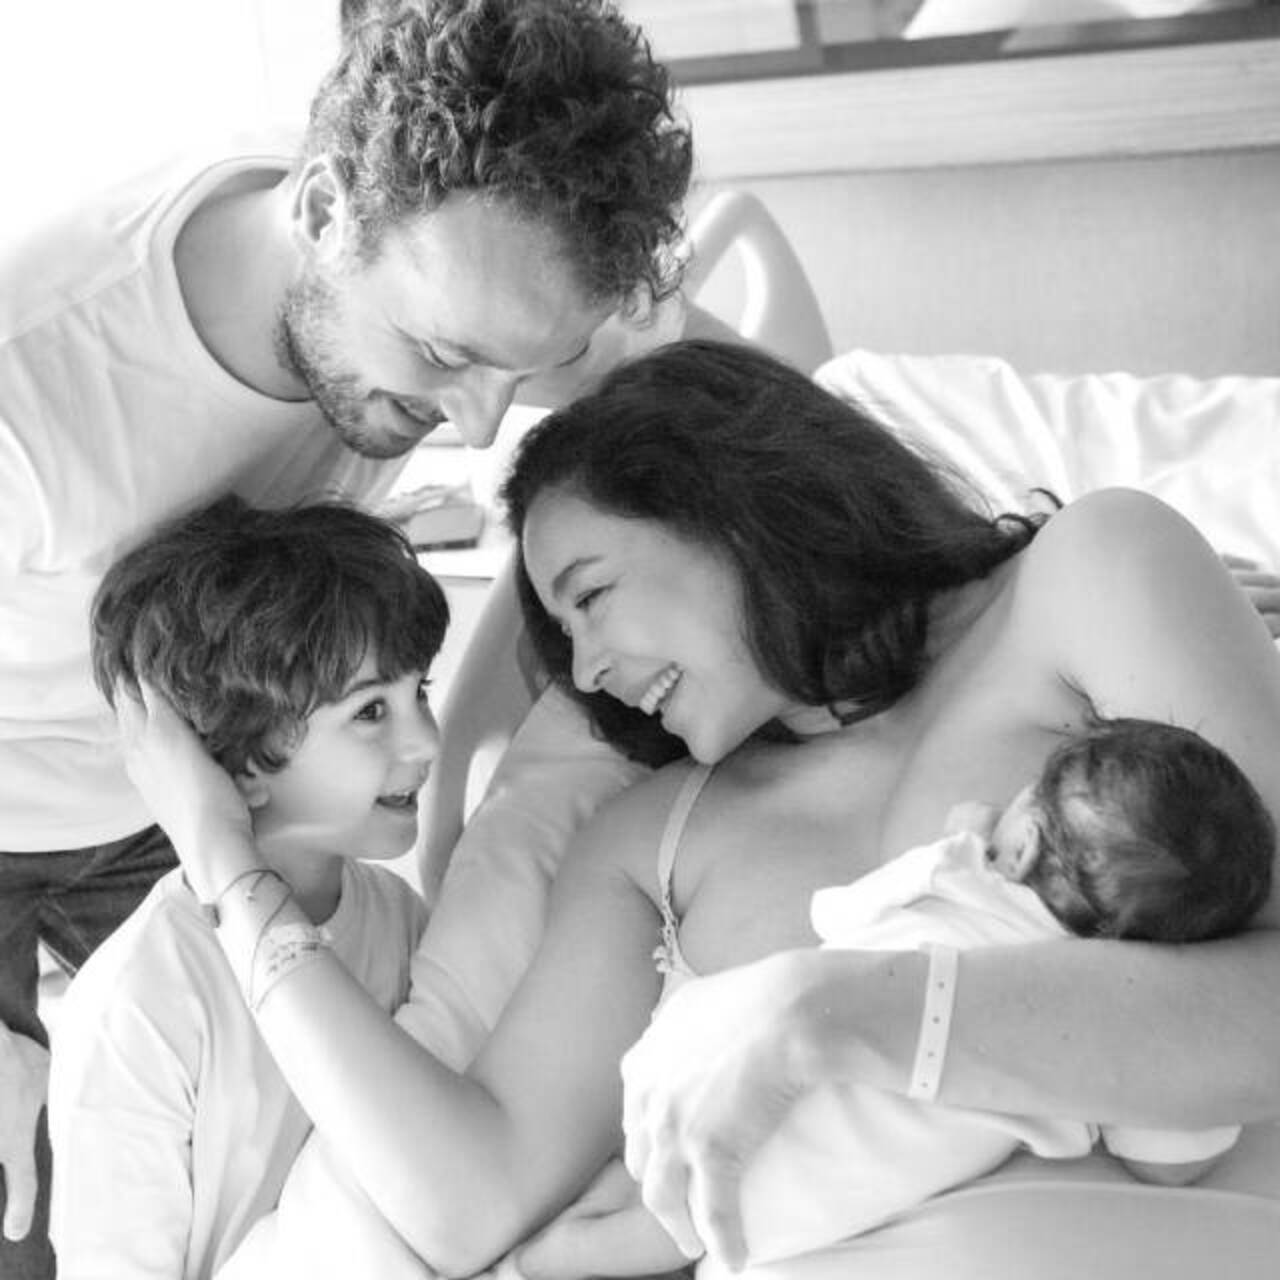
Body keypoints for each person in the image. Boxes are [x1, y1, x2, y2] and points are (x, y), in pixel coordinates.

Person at [110, 340, 1280, 1279]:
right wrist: (228, 872)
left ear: (725, 506)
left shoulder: (1083, 579)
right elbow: (465, 1196)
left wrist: (828, 1009)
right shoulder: (650, 838)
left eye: (592, 594)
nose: (589, 667)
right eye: (560, 637)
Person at [0, 1, 697, 1271]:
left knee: (262, 1167)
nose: (475, 424)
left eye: (519, 371)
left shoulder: (461, 255)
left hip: (198, 775)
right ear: (320, 210)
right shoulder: (32, 381)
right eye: (441, 356)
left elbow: (721, 399)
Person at [45, 495, 446, 1279]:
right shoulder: (141, 999)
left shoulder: (401, 918)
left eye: (419, 693)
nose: (425, 739)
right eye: (372, 711)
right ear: (236, 758)